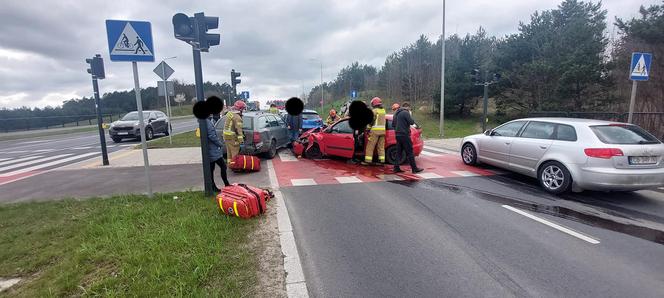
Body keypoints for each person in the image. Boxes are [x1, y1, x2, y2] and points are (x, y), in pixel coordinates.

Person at [393, 102, 423, 174]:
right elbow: (411, 122)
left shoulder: (396, 114)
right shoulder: (405, 112)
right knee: (410, 152)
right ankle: (414, 169)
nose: (409, 109)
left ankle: (396, 168)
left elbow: (393, 124)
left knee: (398, 152)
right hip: (404, 135)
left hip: (397, 135)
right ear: (407, 107)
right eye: (409, 108)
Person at [206, 115, 230, 192]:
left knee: (211, 169)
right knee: (223, 166)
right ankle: (226, 184)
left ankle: (213, 186)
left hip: (210, 150)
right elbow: (212, 136)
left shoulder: (206, 122)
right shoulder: (207, 123)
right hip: (213, 150)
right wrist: (220, 144)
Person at [363, 97, 387, 165]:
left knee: (370, 146)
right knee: (381, 147)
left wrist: (368, 128)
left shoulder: (374, 111)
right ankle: (381, 161)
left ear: (374, 104)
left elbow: (371, 121)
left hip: (375, 131)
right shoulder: (383, 111)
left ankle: (368, 161)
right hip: (383, 132)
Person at [223, 100, 246, 165]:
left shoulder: (230, 113)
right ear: (240, 109)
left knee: (229, 152)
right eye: (243, 109)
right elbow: (239, 130)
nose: (243, 110)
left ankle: (230, 164)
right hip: (232, 137)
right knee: (235, 151)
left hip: (226, 136)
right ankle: (234, 166)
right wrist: (241, 141)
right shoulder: (237, 117)